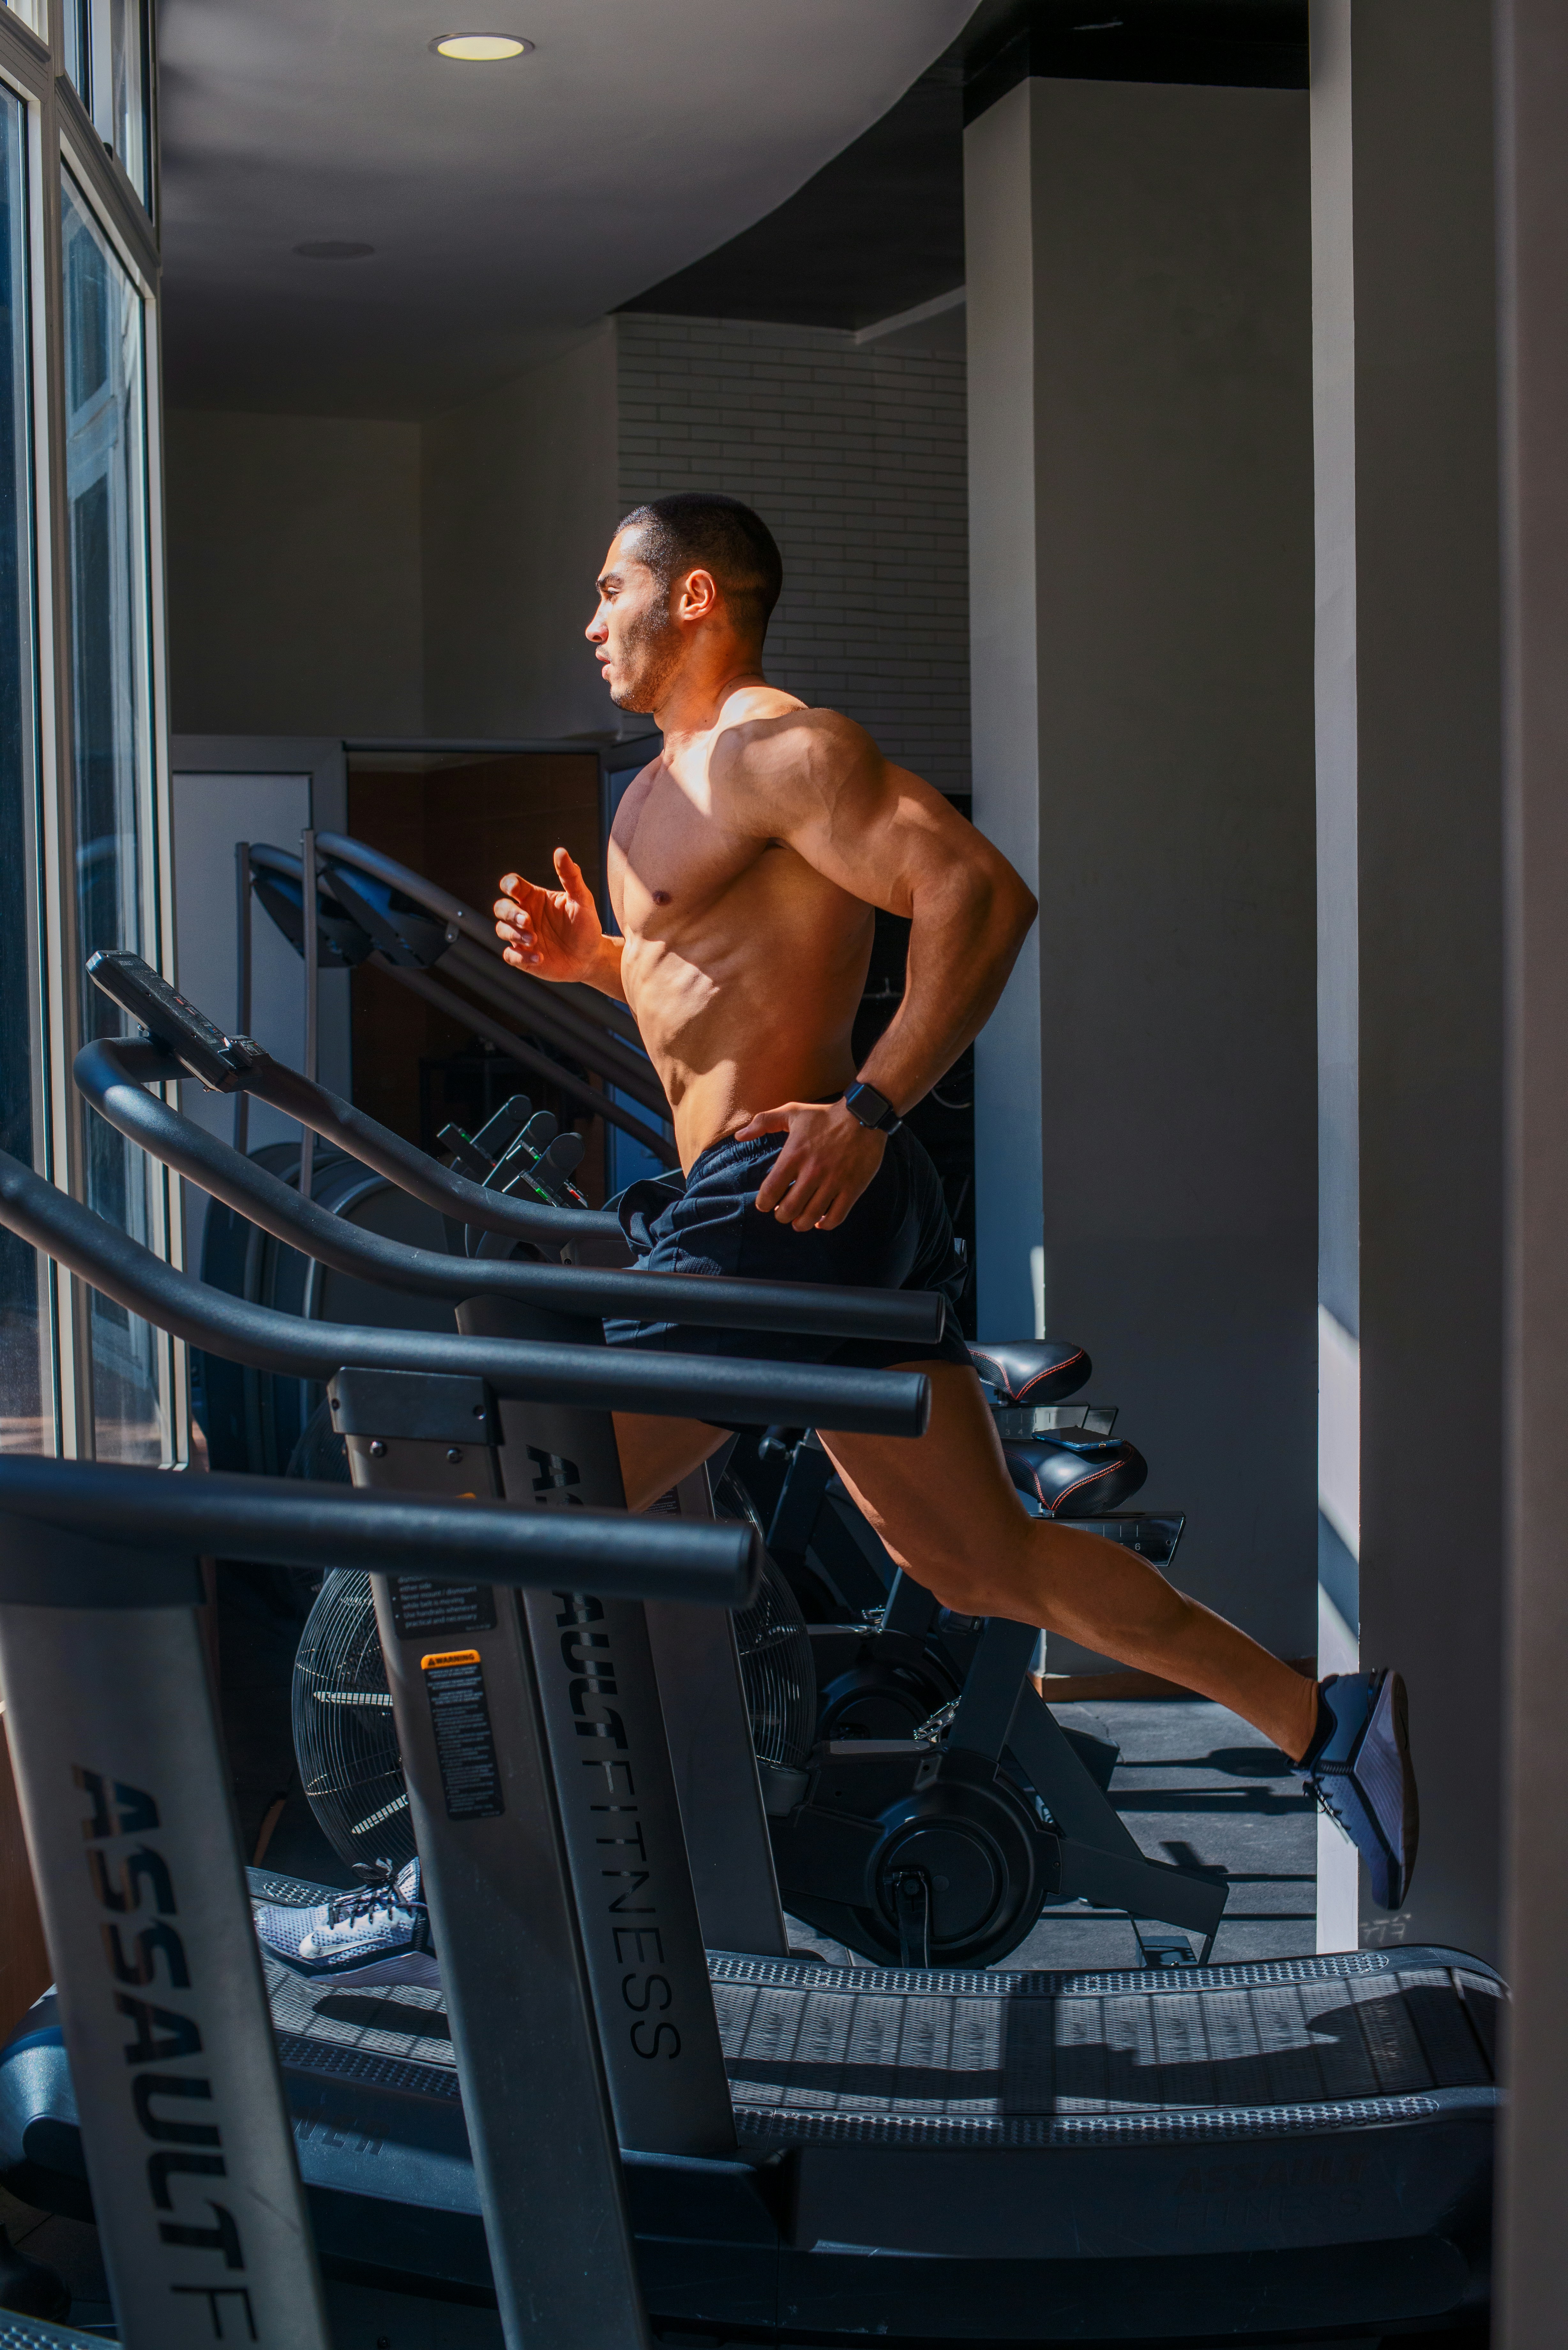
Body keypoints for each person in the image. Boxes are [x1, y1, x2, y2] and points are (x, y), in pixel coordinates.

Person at [493, 491, 1417, 1911]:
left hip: (785, 1198)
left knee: (535, 1493)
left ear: (694, 600)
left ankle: (484, 1883)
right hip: (785, 1215)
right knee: (981, 1564)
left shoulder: (777, 747)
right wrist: (598, 965)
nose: (589, 618)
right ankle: (1326, 1724)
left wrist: (870, 1107)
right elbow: (713, 989)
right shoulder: (656, 790)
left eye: (611, 586)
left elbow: (972, 890)